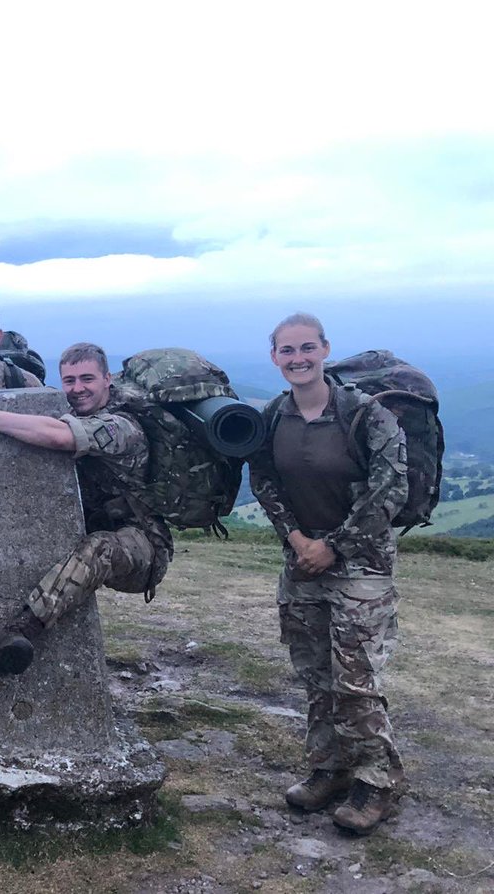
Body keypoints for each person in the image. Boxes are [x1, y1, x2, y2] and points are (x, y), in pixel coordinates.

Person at [249, 312, 408, 836]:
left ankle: (377, 785)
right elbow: (265, 481)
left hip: (361, 564)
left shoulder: (366, 416)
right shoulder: (274, 415)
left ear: (325, 350)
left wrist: (334, 548)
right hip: (302, 562)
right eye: (287, 351)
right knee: (316, 676)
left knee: (355, 680)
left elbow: (390, 491)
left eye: (307, 348)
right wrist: (297, 540)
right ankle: (329, 770)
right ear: (274, 357)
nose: (298, 359)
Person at [0, 342, 172, 675]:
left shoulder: (121, 428)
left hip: (144, 545)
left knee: (100, 548)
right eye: (70, 380)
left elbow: (62, 437)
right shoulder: (79, 413)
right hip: (91, 528)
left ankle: (22, 631)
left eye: (87, 379)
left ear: (108, 379)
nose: (78, 389)